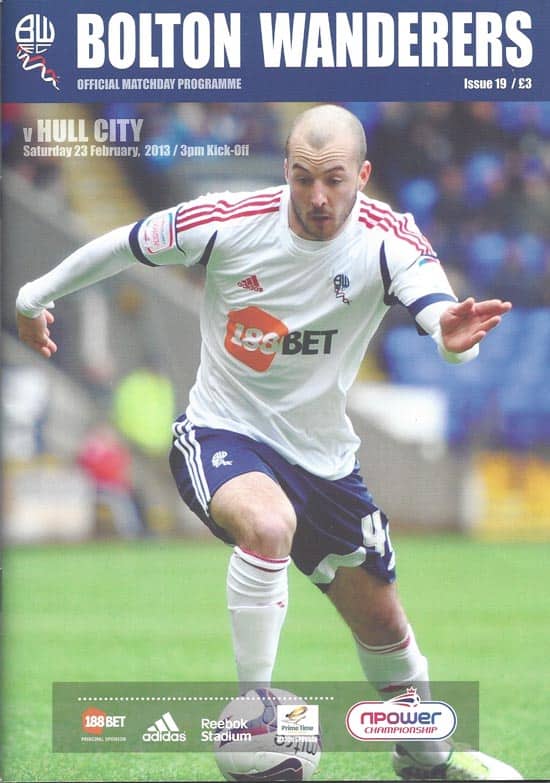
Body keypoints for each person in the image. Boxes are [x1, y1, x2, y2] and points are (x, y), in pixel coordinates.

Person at [16, 105, 520, 780]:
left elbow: (438, 311)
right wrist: (36, 294)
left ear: (363, 176)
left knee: (386, 626)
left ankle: (426, 757)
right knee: (268, 522)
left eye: (334, 180)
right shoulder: (226, 221)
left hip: (326, 460)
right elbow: (123, 243)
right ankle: (256, 707)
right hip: (223, 432)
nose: (317, 196)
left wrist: (449, 338)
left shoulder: (387, 236)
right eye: (303, 177)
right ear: (286, 168)